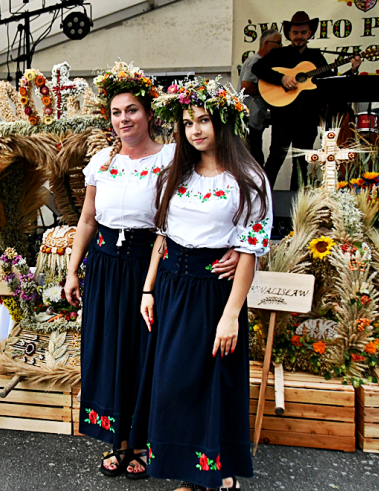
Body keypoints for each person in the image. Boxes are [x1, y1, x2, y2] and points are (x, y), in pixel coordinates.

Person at [63, 62, 239, 479]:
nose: (123, 119)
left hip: (151, 264)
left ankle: (144, 443)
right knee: (108, 350)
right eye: (116, 112)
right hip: (104, 265)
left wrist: (236, 248)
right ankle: (117, 440)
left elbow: (210, 202)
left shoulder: (173, 156)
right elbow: (87, 219)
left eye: (132, 111)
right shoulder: (101, 161)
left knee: (147, 353)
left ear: (148, 114)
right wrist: (73, 270)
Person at [139, 77, 273, 491]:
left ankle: (215, 474)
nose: (194, 130)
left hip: (214, 292)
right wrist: (148, 289)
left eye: (203, 120)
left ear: (224, 122)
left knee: (211, 383)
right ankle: (186, 468)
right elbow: (161, 237)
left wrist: (231, 315)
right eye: (186, 122)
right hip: (172, 288)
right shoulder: (174, 175)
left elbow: (248, 253)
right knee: (173, 382)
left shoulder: (247, 179)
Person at [253, 11, 360, 189]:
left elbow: (331, 84)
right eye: (295, 33)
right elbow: (258, 67)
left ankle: (296, 206)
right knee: (275, 158)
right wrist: (282, 79)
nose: (299, 37)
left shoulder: (316, 58)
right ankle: (263, 201)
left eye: (303, 32)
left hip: (307, 118)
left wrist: (352, 70)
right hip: (284, 116)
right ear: (289, 34)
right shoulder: (279, 54)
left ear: (309, 33)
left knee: (302, 163)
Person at [238, 28, 282, 166]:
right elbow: (245, 86)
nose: (280, 47)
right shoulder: (255, 61)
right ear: (267, 43)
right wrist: (268, 91)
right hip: (250, 118)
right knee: (255, 159)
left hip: (256, 119)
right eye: (278, 43)